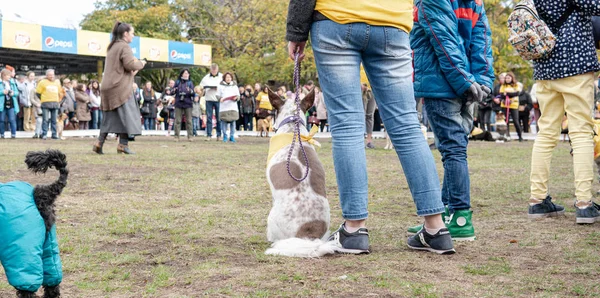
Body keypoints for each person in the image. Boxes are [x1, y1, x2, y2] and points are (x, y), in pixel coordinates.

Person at [287, 0, 456, 254]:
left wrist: (296, 31)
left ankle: (354, 230)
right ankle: (435, 228)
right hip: (392, 20)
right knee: (407, 125)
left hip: (336, 17)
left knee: (347, 125)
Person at [409, 0, 495, 241]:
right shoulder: (475, 2)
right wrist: (482, 80)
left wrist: (465, 82)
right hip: (466, 84)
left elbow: (444, 41)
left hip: (443, 84)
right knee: (455, 148)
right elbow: (482, 43)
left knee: (453, 150)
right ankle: (447, 214)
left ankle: (459, 216)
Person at [528, 0, 600, 223]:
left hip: (545, 64)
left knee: (546, 133)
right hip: (576, 63)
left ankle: (537, 199)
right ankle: (584, 203)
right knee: (580, 134)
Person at [93, 21, 146, 155]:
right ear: (125, 34)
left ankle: (99, 142)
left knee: (110, 117)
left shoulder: (112, 47)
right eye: (132, 33)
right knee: (127, 115)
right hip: (120, 88)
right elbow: (130, 65)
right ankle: (123, 144)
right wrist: (142, 63)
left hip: (107, 86)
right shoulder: (124, 47)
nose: (133, 36)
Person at [36, 69, 64, 140]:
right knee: (45, 119)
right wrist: (43, 99)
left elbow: (60, 92)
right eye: (50, 75)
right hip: (45, 103)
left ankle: (54, 134)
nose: (51, 76)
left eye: (52, 74)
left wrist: (58, 100)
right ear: (47, 75)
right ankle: (44, 134)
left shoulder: (57, 82)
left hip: (55, 103)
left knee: (54, 120)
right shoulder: (42, 82)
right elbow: (38, 93)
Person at [200, 63, 223, 141]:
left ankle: (219, 135)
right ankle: (209, 134)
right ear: (210, 70)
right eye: (212, 70)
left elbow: (225, 87)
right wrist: (203, 88)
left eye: (215, 70)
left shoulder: (222, 77)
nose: (214, 71)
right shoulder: (206, 77)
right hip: (209, 99)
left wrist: (219, 89)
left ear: (217, 70)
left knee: (218, 118)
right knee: (209, 118)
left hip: (218, 99)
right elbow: (201, 87)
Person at [500, 72, 524, 142]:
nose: (507, 79)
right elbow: (502, 95)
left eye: (509, 78)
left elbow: (517, 93)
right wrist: (511, 94)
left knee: (516, 121)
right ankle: (507, 136)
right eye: (506, 78)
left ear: (512, 78)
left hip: (514, 105)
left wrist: (507, 94)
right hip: (505, 105)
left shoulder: (516, 85)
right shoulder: (503, 86)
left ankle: (520, 136)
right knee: (505, 121)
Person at [217, 72, 240, 143]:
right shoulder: (220, 86)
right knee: (224, 122)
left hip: (232, 106)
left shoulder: (234, 86)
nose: (228, 79)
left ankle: (232, 136)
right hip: (224, 107)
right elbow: (217, 95)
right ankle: (224, 136)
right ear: (224, 78)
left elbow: (238, 96)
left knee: (233, 122)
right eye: (227, 77)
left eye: (229, 77)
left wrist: (235, 98)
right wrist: (220, 98)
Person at [173, 69, 196, 141]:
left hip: (188, 103)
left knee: (189, 120)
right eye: (185, 73)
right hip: (178, 102)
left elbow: (193, 94)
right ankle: (176, 136)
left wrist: (190, 91)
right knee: (178, 120)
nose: (186, 74)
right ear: (182, 74)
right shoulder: (177, 82)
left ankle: (190, 136)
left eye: (187, 73)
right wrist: (174, 90)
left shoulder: (190, 83)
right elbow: (172, 91)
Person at [0, 69, 19, 138]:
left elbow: (17, 93)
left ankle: (13, 134)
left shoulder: (12, 83)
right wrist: (2, 92)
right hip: (2, 105)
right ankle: (2, 134)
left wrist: (13, 93)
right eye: (8, 75)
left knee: (12, 120)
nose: (10, 76)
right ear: (4, 75)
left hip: (11, 104)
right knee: (1, 120)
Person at [361, 83, 376, 148]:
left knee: (370, 115)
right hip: (361, 88)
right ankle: (360, 140)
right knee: (361, 115)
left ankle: (369, 141)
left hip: (372, 88)